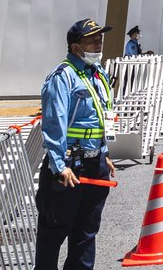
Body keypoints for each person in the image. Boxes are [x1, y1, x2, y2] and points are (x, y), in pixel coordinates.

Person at [37, 18, 114, 270]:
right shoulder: (63, 76)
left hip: (95, 163)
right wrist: (58, 166)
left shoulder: (98, 73)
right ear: (75, 47)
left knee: (86, 231)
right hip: (70, 166)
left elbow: (103, 116)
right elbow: (54, 123)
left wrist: (105, 152)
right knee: (54, 230)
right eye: (91, 38)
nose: (98, 42)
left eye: (100, 37)